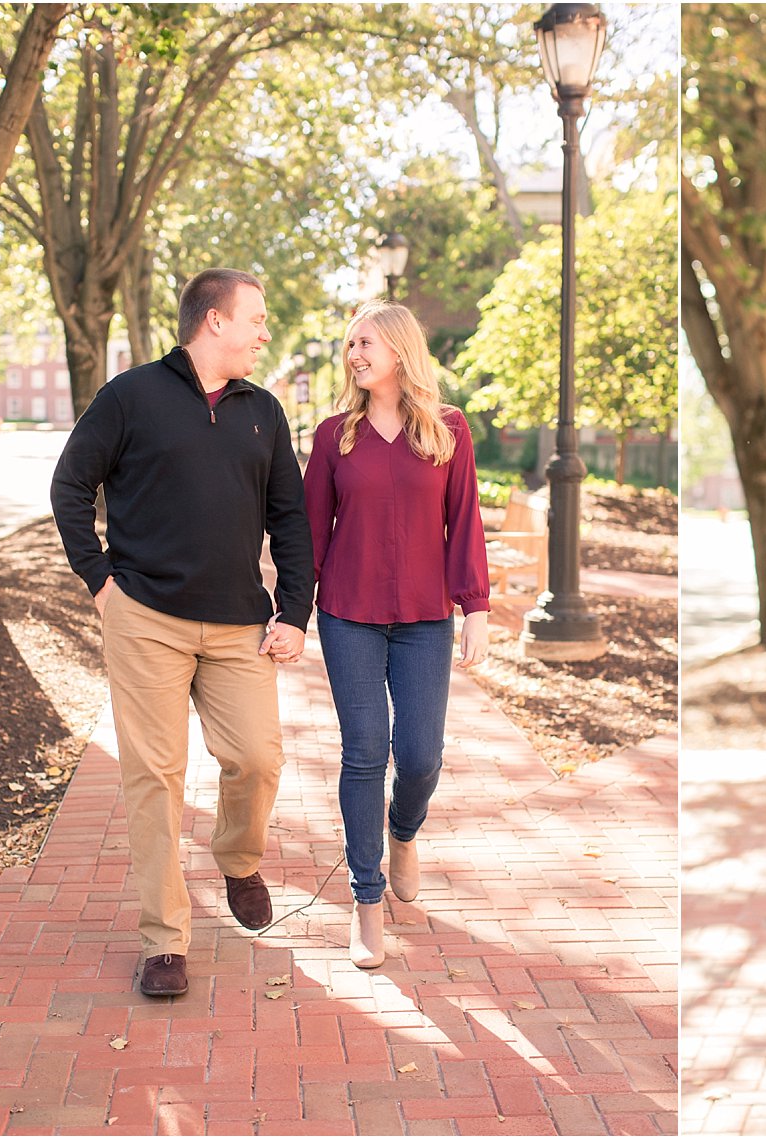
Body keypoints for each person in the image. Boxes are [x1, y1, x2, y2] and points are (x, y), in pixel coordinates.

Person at [51, 268, 314, 999]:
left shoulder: (263, 410)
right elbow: (70, 486)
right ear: (215, 321)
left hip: (238, 624)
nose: (265, 331)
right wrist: (100, 582)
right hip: (146, 621)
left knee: (258, 758)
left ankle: (237, 857)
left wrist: (294, 611)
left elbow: (289, 516)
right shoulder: (130, 396)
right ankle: (165, 939)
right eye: (256, 318)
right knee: (155, 780)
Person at [302, 300, 490, 970]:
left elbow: (464, 519)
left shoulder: (448, 430)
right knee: (363, 753)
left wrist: (477, 607)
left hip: (424, 619)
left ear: (400, 351)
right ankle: (366, 901)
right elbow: (309, 535)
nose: (354, 354)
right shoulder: (333, 437)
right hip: (348, 615)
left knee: (419, 756)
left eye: (366, 343)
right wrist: (292, 612)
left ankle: (404, 830)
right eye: (349, 344)